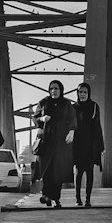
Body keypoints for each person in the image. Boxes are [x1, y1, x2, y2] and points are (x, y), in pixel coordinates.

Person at [33, 80, 75, 208]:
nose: (53, 91)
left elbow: (72, 119)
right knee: (46, 170)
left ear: (61, 90)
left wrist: (71, 132)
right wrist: (41, 118)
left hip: (61, 142)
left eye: (56, 88)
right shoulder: (43, 102)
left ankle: (56, 198)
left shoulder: (67, 103)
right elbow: (35, 118)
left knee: (58, 172)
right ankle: (46, 196)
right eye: (51, 88)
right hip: (46, 141)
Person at [72, 81, 105, 208]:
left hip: (90, 145)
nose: (83, 94)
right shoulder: (73, 107)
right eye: (80, 92)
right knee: (78, 173)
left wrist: (100, 146)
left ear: (88, 93)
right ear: (77, 93)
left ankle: (88, 200)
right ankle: (77, 199)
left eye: (85, 92)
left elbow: (98, 127)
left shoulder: (94, 107)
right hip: (77, 145)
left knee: (89, 172)